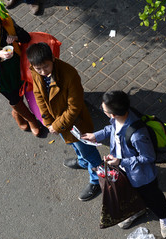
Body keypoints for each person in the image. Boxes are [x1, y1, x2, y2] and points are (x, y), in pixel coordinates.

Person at [81, 91, 166, 238]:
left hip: (141, 177)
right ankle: (138, 208)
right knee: (131, 193)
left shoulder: (138, 135)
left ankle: (164, 215)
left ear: (113, 114)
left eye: (104, 109)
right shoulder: (120, 118)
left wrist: (121, 161)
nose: (102, 109)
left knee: (153, 198)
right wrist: (96, 135)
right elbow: (112, 129)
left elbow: (148, 157)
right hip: (124, 171)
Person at [26, 42, 102, 201]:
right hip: (57, 124)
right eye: (38, 68)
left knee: (90, 153)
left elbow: (74, 107)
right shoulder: (36, 71)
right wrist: (47, 121)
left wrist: (56, 125)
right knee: (74, 145)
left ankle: (96, 181)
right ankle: (82, 161)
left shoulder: (69, 75)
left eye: (45, 67)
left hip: (76, 124)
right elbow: (38, 95)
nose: (42, 72)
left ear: (53, 59)